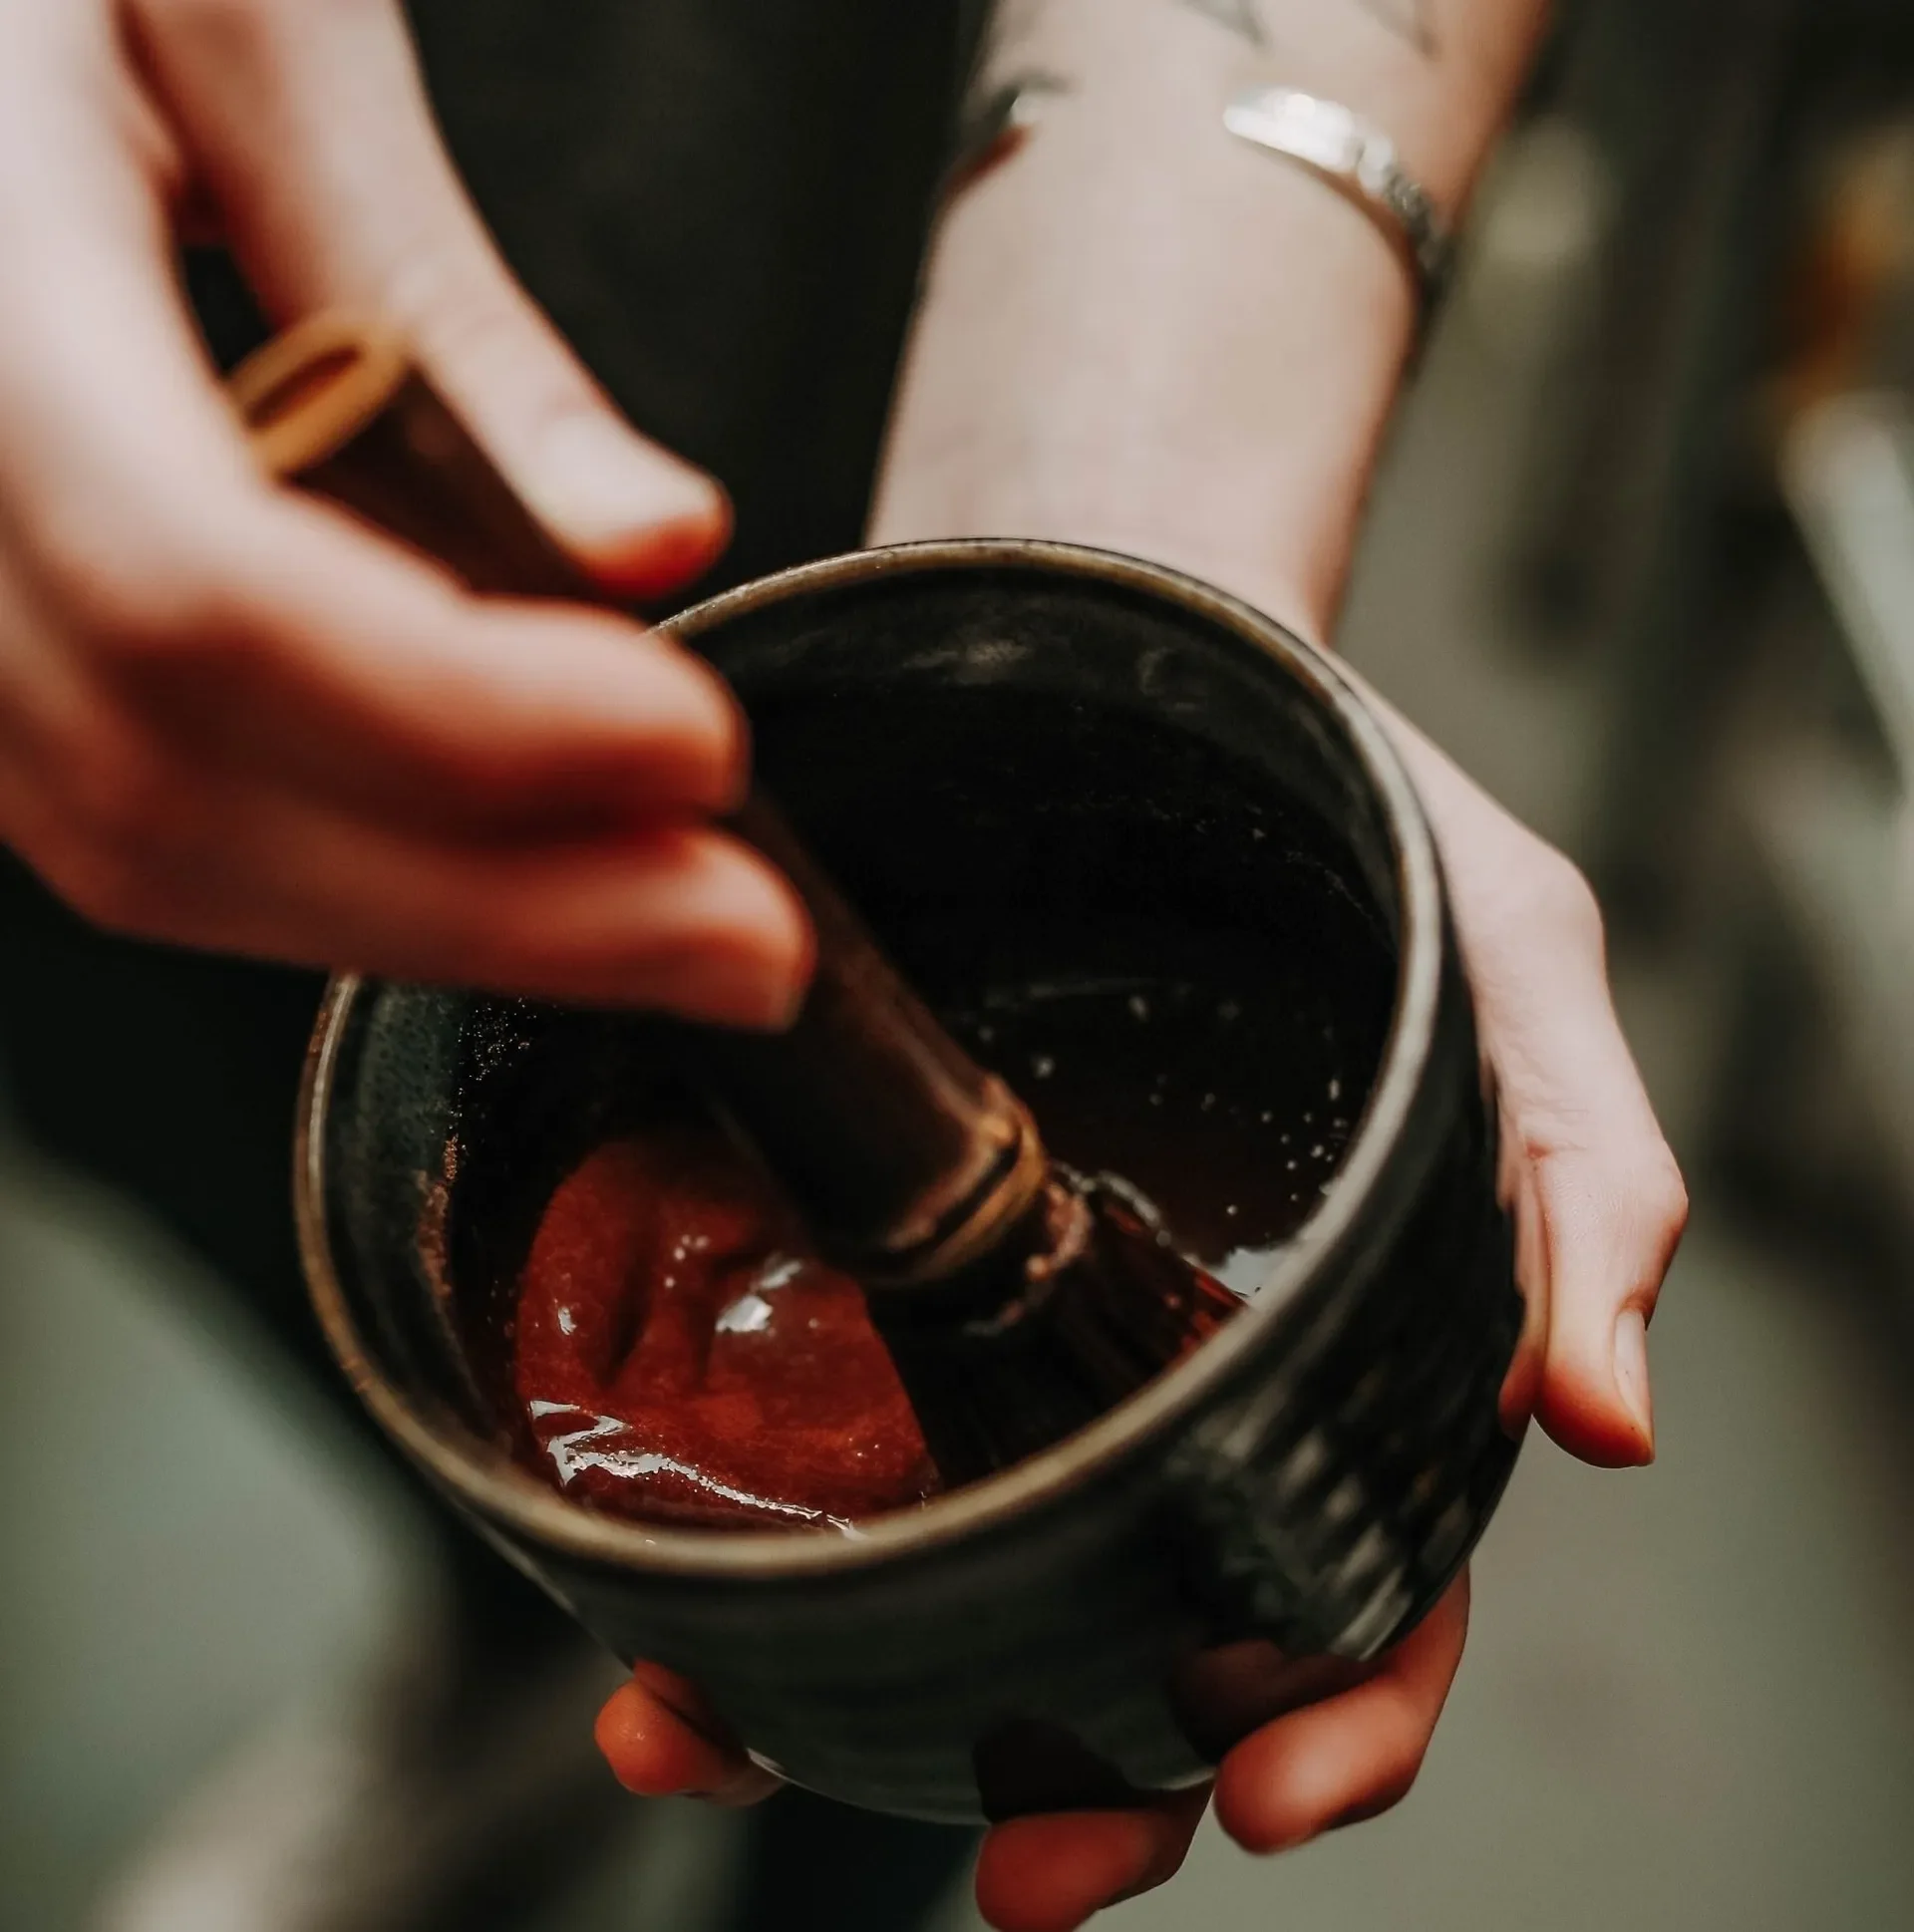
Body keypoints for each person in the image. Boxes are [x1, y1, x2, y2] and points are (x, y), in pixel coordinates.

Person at [0, 3, 1687, 1931]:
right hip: (72, 468)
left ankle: (846, 1847)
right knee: (184, 1102)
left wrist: (1106, 531)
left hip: (859, 299)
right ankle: (501, 1635)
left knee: (979, 1702)